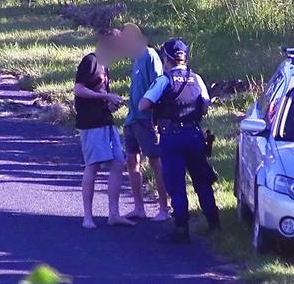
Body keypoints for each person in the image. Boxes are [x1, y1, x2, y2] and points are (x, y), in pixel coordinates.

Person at [138, 39, 220, 244]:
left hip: (172, 136)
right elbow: (204, 107)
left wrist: (163, 109)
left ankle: (181, 228)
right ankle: (214, 223)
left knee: (176, 183)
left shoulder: (164, 81)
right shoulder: (197, 78)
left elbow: (143, 105)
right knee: (202, 179)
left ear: (166, 58)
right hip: (194, 135)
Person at [73, 28, 134, 229]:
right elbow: (79, 89)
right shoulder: (90, 61)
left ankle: (114, 214)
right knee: (93, 165)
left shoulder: (105, 65)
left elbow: (97, 92)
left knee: (118, 162)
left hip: (105, 119)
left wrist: (109, 103)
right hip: (90, 123)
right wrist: (106, 97)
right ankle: (87, 217)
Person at [121, 23, 170, 222]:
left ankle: (164, 209)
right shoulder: (136, 60)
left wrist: (154, 117)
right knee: (131, 161)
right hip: (132, 119)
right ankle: (139, 207)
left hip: (147, 121)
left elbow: (158, 86)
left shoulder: (150, 56)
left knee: (155, 163)